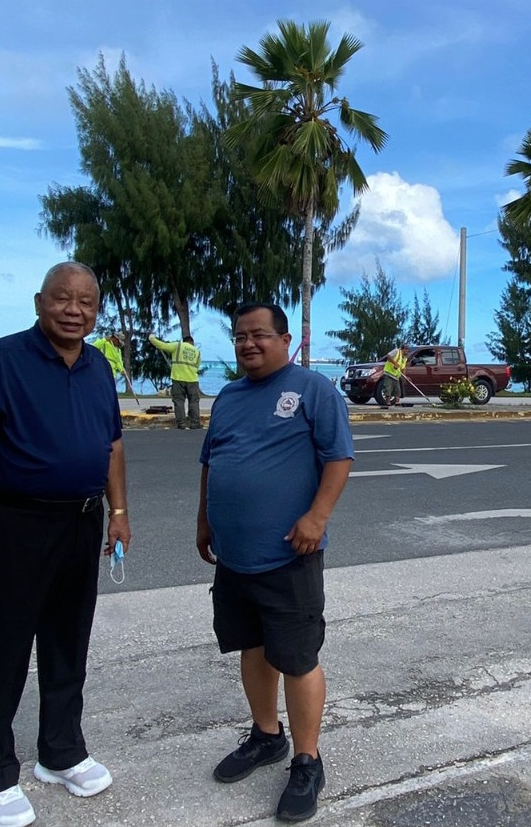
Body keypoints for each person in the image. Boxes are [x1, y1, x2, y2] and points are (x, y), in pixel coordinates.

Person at [0, 261, 130, 827]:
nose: (75, 310)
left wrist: (118, 512)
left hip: (82, 522)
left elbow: (113, 445)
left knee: (68, 643)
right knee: (2, 651)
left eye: (87, 303)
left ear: (96, 311)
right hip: (15, 524)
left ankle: (61, 752)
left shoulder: (99, 367)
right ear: (38, 302)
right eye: (62, 299)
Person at [197, 302, 353, 822]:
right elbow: (211, 462)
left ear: (285, 340)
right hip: (235, 558)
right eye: (240, 336)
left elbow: (339, 457)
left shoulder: (313, 390)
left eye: (259, 334)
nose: (248, 344)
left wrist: (318, 517)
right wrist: (204, 519)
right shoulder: (228, 398)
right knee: (252, 647)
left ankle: (308, 760)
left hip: (290, 555)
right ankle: (267, 735)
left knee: (297, 657)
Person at [150, 333, 203, 429]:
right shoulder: (197, 351)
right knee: (194, 401)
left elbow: (163, 346)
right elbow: (198, 365)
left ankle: (182, 423)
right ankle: (195, 423)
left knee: (179, 401)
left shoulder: (178, 346)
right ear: (192, 342)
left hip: (178, 378)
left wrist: (152, 339)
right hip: (193, 379)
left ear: (184, 341)